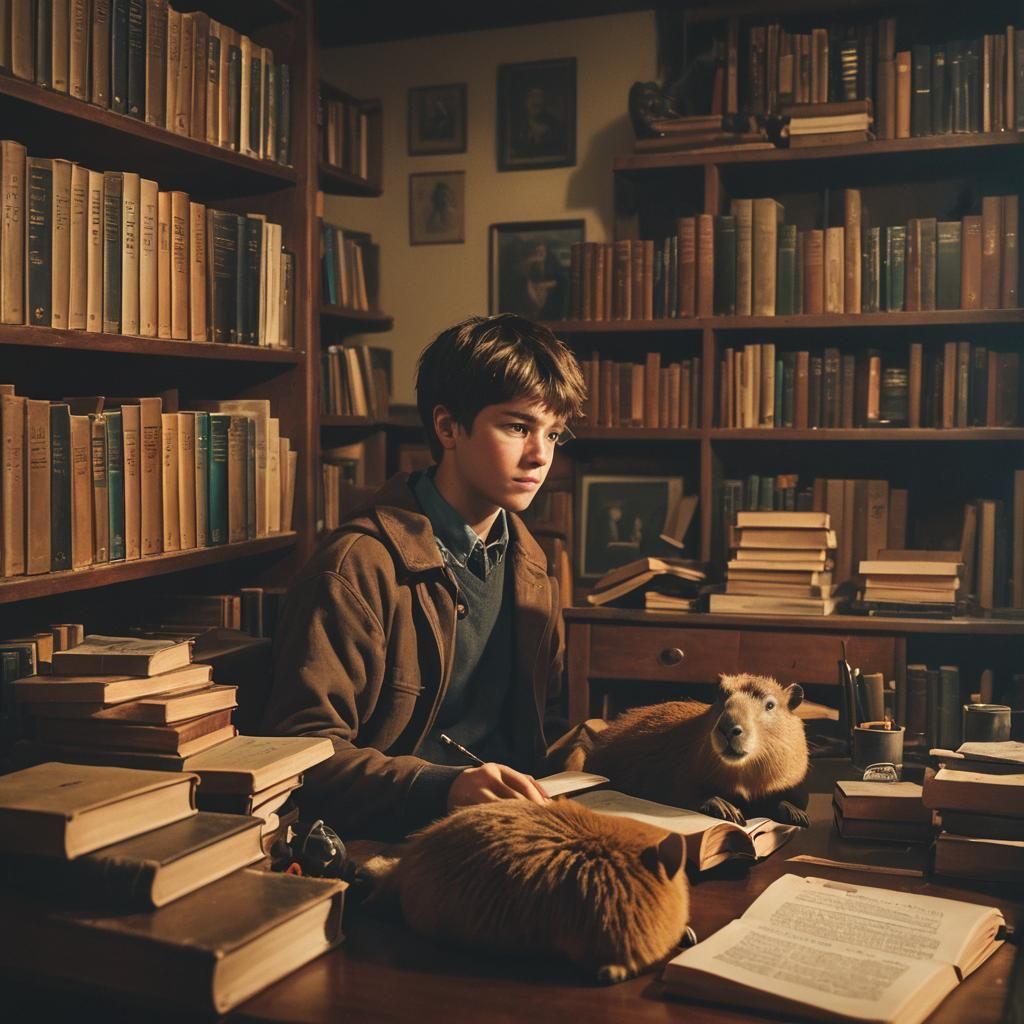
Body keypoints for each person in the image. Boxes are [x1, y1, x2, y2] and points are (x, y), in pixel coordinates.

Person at [262, 314, 587, 839]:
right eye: (517, 427)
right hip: (397, 840)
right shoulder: (357, 566)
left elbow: (540, 727)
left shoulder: (532, 565)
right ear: (447, 427)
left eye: (554, 434)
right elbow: (300, 758)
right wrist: (443, 787)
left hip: (516, 829)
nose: (540, 455)